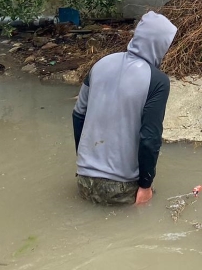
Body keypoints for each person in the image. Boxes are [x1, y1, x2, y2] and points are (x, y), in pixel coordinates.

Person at [73, 11, 176, 205]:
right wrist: (146, 186)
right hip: (121, 188)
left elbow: (78, 115)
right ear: (159, 44)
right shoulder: (157, 81)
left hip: (84, 182)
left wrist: (85, 163)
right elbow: (150, 138)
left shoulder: (100, 64)